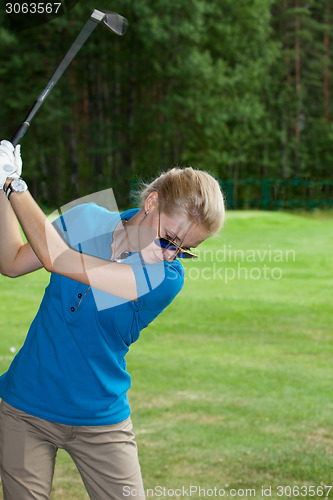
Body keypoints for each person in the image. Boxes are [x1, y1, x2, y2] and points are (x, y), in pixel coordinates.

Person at [0, 139, 225, 500]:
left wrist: (15, 185)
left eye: (186, 250)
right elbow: (11, 262)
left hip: (100, 421)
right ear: (151, 203)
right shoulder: (88, 216)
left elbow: (57, 259)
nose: (172, 255)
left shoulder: (165, 278)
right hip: (25, 406)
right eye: (170, 240)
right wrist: (0, 187)